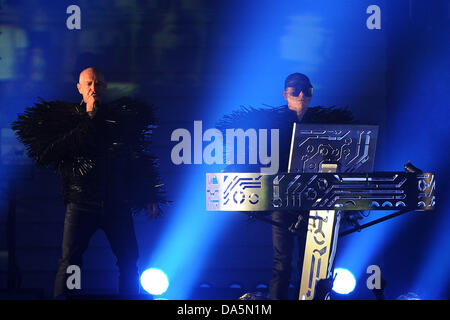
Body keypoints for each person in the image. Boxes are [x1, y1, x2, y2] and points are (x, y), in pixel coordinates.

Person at [12, 67, 166, 298]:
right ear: (80, 88)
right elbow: (54, 152)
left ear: (105, 88)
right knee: (70, 261)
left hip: (116, 203)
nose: (94, 89)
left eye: (99, 84)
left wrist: (147, 195)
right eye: (90, 84)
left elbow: (135, 157)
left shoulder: (118, 121)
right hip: (81, 202)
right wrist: (90, 116)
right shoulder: (69, 120)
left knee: (128, 260)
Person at [217, 73, 353, 299]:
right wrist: (233, 168)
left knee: (311, 263)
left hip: (314, 201)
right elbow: (253, 150)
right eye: (295, 90)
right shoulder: (273, 123)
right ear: (285, 94)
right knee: (282, 263)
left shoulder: (322, 122)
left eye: (306, 90)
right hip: (282, 199)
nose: (301, 95)